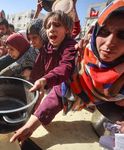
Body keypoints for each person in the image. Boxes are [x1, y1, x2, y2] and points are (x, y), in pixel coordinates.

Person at [10, 0, 124, 146]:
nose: (109, 43)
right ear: (94, 33)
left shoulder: (72, 47)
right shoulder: (83, 60)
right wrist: (30, 126)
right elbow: (60, 92)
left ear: (67, 29)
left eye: (122, 35)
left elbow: (64, 67)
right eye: (104, 32)